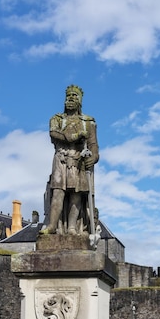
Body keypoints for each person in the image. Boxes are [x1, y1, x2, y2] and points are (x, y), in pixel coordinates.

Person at [41, 84, 99, 235]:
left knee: (76, 195)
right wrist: (72, 136)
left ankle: (72, 228)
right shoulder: (57, 119)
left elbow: (93, 146)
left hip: (78, 161)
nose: (71, 99)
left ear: (80, 101)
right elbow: (54, 133)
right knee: (58, 193)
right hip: (61, 158)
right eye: (68, 96)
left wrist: (93, 158)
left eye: (74, 96)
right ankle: (52, 226)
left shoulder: (88, 122)